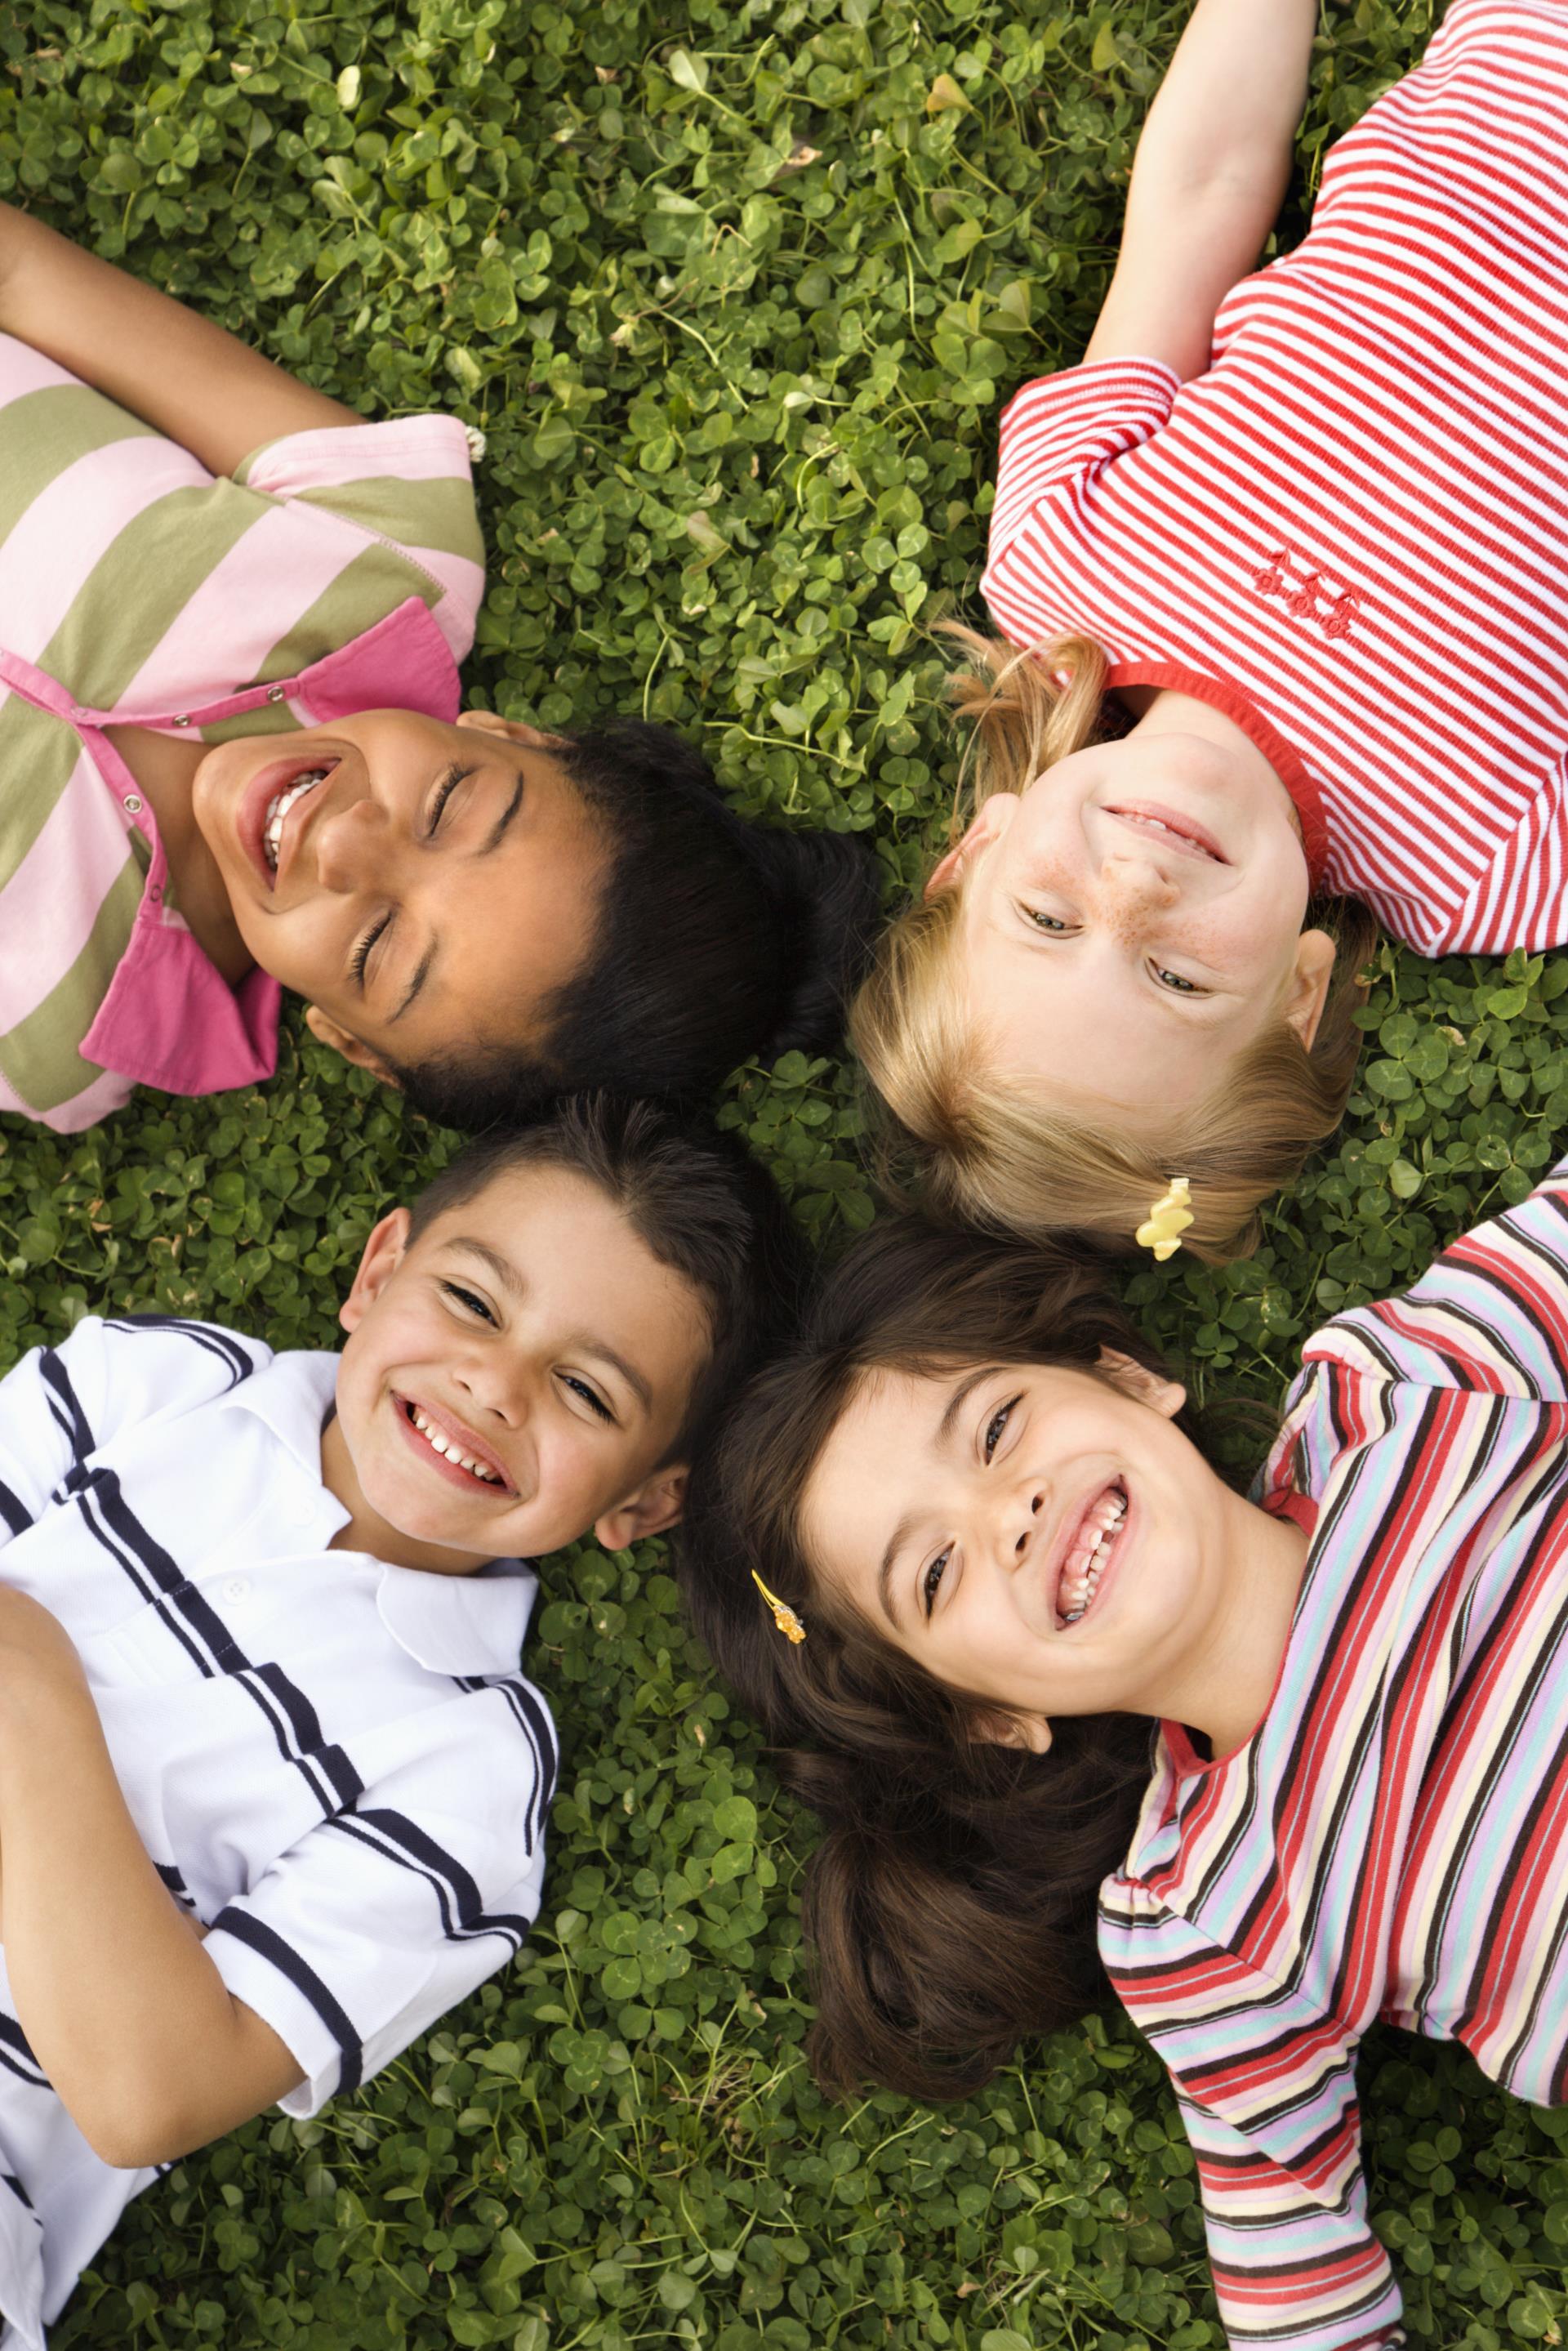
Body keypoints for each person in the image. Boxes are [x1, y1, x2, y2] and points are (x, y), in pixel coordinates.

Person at [679, 1171, 1568, 2350]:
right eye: (935, 1575)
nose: (1011, 1511)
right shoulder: (1197, 1920)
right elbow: (1299, 2298)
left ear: (1125, 1377)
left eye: (996, 1427)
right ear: (991, 1715)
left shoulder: (1394, 1389)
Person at [0, 1092, 803, 2348]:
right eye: (474, 1301)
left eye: (587, 1389)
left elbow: (145, 2088)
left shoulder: (467, 1768)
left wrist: (31, 1682)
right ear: (378, 1272)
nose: (494, 1382)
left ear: (646, 1501)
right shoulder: (159, 1386)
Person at [852, 0, 1568, 1261]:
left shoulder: (1063, 563)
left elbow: (1199, 200)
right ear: (1296, 997)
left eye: (1050, 921)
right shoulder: (1479, 862)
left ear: (977, 852)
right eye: (1179, 981)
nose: (1135, 892)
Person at [0, 205, 877, 1136]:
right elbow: (20, 275)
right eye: (451, 804)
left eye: (378, 948)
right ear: (512, 735)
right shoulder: (394, 561)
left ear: (350, 1041)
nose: (343, 845)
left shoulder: (58, 1043)